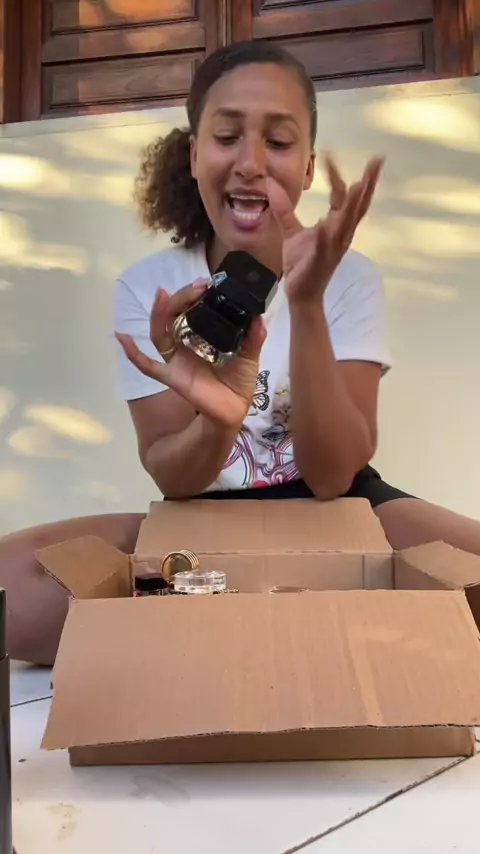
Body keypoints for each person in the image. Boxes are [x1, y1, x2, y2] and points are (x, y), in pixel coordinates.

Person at [2, 40, 480, 666]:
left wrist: (306, 304)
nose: (251, 163)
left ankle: (233, 625)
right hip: (199, 516)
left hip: (341, 509)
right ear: (194, 155)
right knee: (12, 584)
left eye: (278, 142)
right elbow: (174, 476)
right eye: (227, 137)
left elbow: (334, 476)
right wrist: (217, 422)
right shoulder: (150, 288)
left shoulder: (350, 277)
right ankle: (306, 620)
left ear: (307, 168)